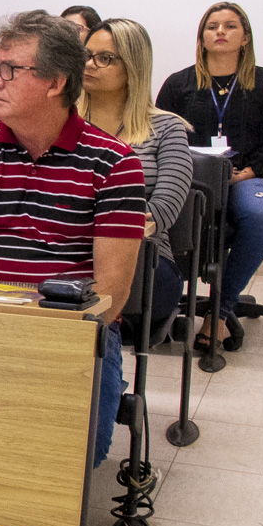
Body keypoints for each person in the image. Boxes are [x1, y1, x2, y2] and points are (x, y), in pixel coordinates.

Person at [0, 10, 145, 526]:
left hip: (69, 336)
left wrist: (34, 338)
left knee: (84, 449)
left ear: (55, 82)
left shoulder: (114, 163)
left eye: (9, 69)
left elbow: (111, 293)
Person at [156, 1, 263, 351]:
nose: (220, 32)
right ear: (201, 37)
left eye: (229, 26)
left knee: (259, 215)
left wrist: (245, 173)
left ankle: (220, 312)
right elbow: (160, 140)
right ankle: (159, 308)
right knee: (160, 212)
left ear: (245, 37)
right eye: (212, 26)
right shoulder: (179, 83)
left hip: (247, 179)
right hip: (192, 180)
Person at [81, 19, 193, 341]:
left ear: (133, 66)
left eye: (105, 58)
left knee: (94, 294)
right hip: (70, 249)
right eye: (87, 55)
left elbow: (164, 206)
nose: (90, 64)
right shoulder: (63, 124)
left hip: (145, 260)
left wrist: (112, 231)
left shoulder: (166, 128)